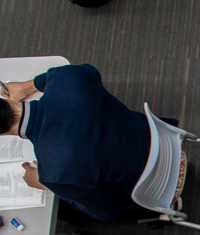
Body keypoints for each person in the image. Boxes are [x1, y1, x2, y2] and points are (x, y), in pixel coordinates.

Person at [0, 64, 163, 222]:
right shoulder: (67, 78)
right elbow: (89, 71)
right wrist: (28, 86)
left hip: (158, 187)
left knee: (63, 210)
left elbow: (107, 212)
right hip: (162, 140)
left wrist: (48, 184)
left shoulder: (53, 174)